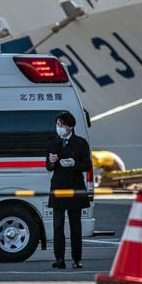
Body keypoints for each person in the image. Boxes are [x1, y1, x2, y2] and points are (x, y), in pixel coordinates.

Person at [46, 112, 93, 269]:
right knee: (58, 226)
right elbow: (48, 166)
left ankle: (77, 258)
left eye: (62, 125)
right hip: (58, 187)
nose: (59, 128)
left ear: (70, 126)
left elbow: (87, 165)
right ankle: (59, 259)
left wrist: (74, 163)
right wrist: (52, 162)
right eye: (57, 124)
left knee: (75, 226)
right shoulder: (53, 142)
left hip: (75, 188)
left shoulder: (80, 143)